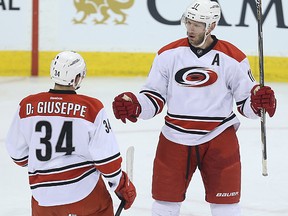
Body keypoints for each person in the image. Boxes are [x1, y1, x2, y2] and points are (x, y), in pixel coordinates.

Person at [111, 0, 276, 216]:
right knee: (163, 205)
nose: (190, 28)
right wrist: (136, 106)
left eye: (197, 24)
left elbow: (246, 105)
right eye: (188, 22)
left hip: (219, 137)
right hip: (174, 137)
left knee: (226, 207)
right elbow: (153, 98)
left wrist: (258, 104)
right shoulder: (168, 55)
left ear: (212, 26)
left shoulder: (233, 58)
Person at [5, 51, 136, 216]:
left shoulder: (27, 105)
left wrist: (44, 165)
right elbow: (106, 160)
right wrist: (121, 185)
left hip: (43, 198)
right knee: (101, 206)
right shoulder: (92, 107)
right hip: (85, 195)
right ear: (76, 78)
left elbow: (17, 155)